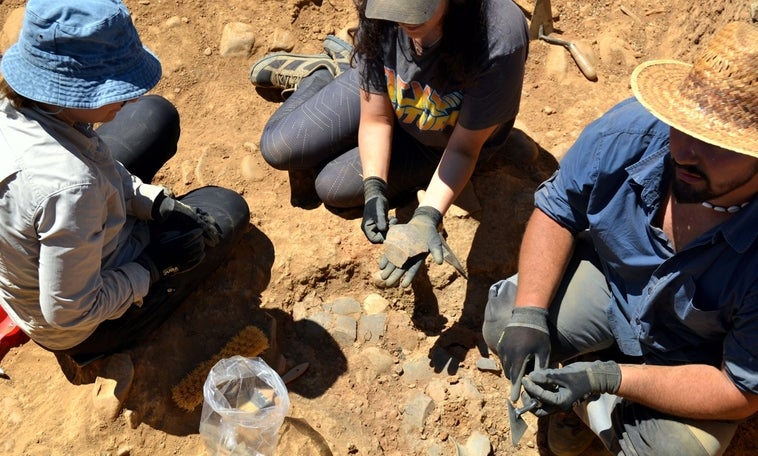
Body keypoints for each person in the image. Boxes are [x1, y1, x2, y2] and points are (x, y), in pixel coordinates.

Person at [482, 21, 758, 456]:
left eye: (715, 144)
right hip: (614, 287)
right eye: (682, 127)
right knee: (506, 324)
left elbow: (740, 390)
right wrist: (531, 313)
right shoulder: (629, 135)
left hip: (693, 356)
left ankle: (594, 399)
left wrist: (606, 377)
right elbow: (557, 211)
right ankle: (579, 391)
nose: (685, 152)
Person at [0, 0, 250, 366]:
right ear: (67, 92)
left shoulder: (26, 109)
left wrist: (153, 201)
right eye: (112, 88)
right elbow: (69, 314)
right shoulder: (72, 187)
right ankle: (113, 338)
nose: (128, 95)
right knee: (227, 207)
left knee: (154, 114)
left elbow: (95, 163)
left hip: (58, 236)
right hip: (82, 324)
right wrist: (151, 268)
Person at [250, 0, 529, 287]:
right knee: (278, 146)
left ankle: (345, 75)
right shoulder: (381, 11)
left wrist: (427, 216)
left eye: (415, 10)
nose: (405, 23)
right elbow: (376, 119)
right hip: (394, 101)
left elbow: (464, 148)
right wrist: (374, 186)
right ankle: (324, 73)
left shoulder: (497, 36)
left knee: (332, 187)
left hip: (440, 141)